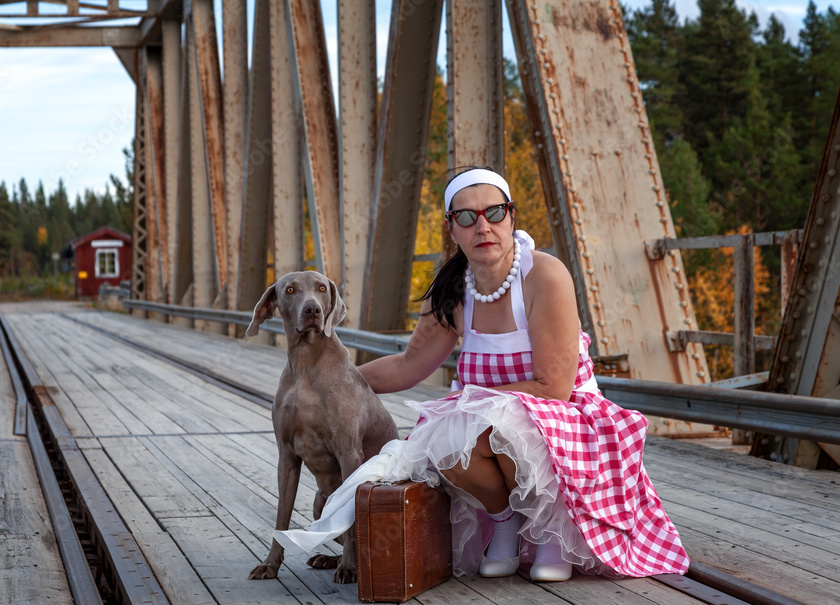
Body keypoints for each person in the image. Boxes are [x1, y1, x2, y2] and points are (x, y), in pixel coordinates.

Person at [275, 167, 690, 582]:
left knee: (495, 427)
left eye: (494, 212)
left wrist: (471, 404)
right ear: (452, 229)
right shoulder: (453, 291)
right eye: (468, 217)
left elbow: (554, 387)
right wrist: (320, 388)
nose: (483, 226)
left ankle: (552, 531)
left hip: (566, 419)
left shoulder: (544, 276)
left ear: (511, 217)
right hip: (486, 414)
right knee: (442, 440)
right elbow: (407, 366)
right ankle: (505, 522)